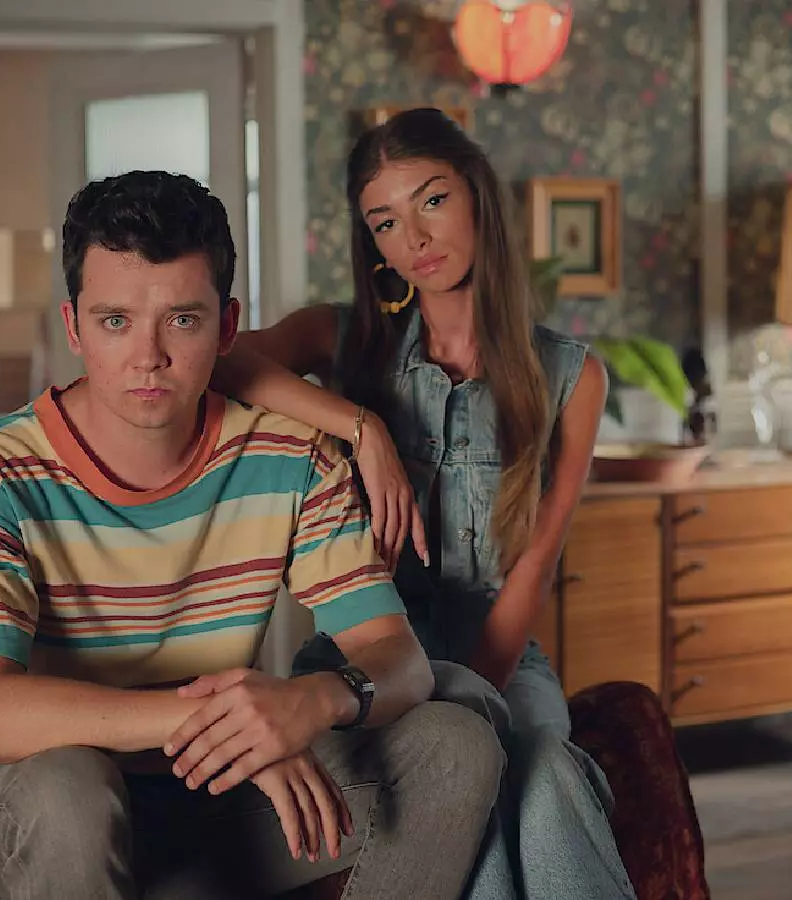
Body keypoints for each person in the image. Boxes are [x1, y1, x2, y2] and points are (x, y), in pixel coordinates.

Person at [0, 170, 505, 900]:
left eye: (182, 320)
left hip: (215, 797)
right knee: (70, 790)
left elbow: (400, 662)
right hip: (41, 799)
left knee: (455, 746)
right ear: (74, 327)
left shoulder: (292, 457)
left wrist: (312, 702)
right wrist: (221, 719)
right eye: (115, 321)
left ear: (227, 328)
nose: (148, 356)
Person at [210, 108, 636, 900]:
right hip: (365, 654)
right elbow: (219, 358)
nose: (414, 237)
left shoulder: (572, 377)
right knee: (481, 774)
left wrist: (473, 694)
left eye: (431, 201)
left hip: (501, 652)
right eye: (385, 221)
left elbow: (535, 564)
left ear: (476, 194)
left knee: (533, 763)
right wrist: (361, 426)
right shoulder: (341, 341)